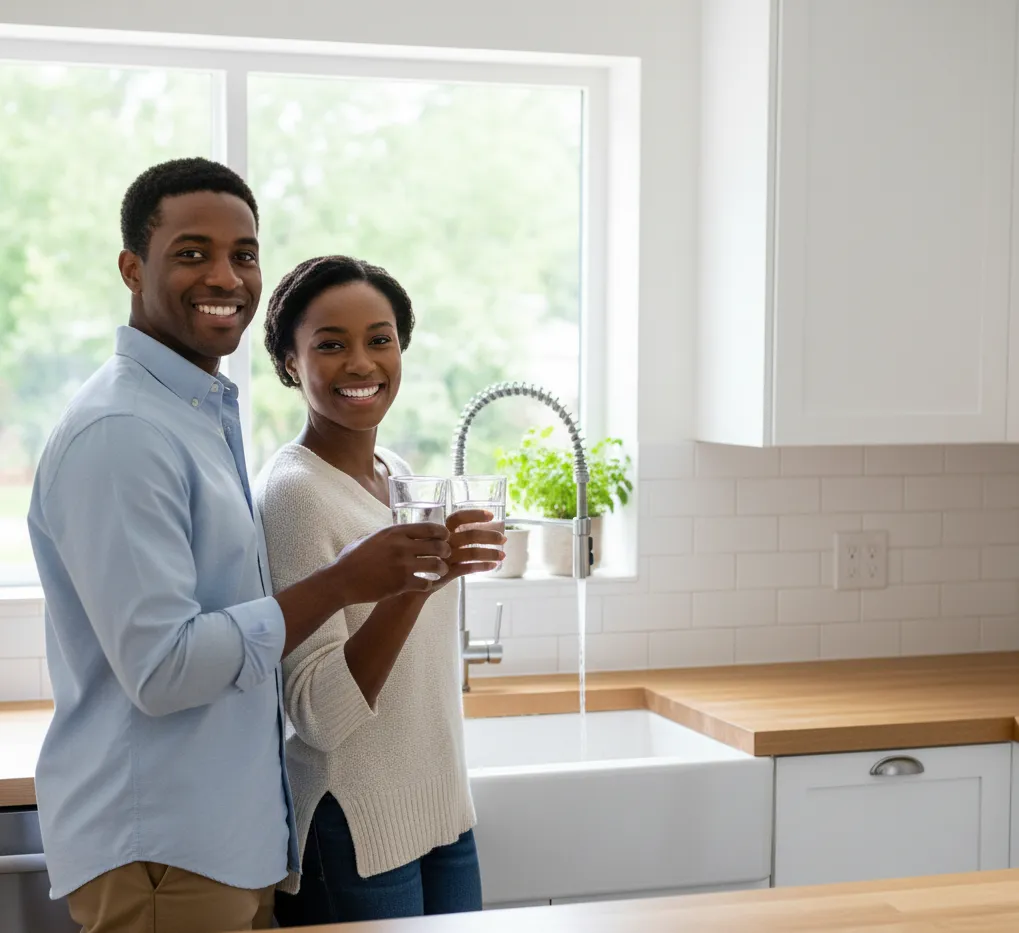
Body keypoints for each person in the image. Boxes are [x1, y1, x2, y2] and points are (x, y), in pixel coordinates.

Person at [26, 159, 455, 933]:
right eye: (192, 252)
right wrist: (342, 582)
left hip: (219, 846)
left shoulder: (193, 414)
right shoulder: (123, 432)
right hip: (163, 852)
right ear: (132, 269)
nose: (225, 276)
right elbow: (164, 668)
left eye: (243, 253)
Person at [255, 255, 504, 925]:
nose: (361, 362)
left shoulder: (397, 474)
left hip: (442, 811)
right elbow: (316, 715)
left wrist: (445, 566)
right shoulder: (294, 494)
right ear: (289, 363)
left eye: (379, 339)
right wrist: (412, 589)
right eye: (330, 344)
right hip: (355, 827)